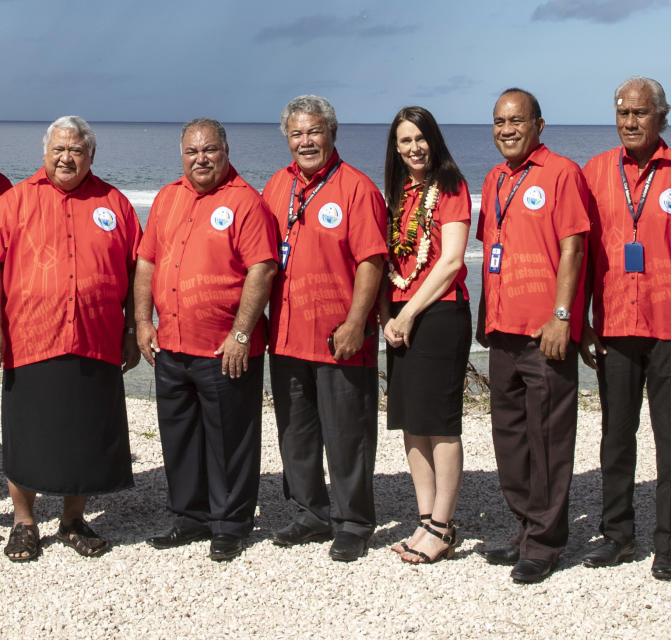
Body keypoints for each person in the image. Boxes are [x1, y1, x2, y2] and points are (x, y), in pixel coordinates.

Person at [579, 77, 671, 579]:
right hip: (614, 326)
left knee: (670, 440)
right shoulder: (594, 173)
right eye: (622, 113)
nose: (629, 122)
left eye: (639, 113)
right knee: (616, 438)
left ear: (661, 116)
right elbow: (578, 254)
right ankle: (617, 535)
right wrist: (581, 324)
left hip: (670, 331)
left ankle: (669, 544)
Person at [135, 118, 278, 562]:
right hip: (172, 345)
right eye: (192, 152)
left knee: (230, 440)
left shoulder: (246, 202)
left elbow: (263, 269)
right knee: (180, 437)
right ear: (182, 155)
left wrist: (240, 333)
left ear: (226, 151)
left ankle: (230, 524)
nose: (201, 159)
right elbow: (146, 263)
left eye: (209, 150)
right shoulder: (166, 198)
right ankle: (190, 517)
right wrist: (143, 323)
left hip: (225, 349)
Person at [0, 116, 141, 561]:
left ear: (90, 156)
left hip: (96, 338)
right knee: (26, 434)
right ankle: (25, 523)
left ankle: (73, 519)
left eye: (76, 150)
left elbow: (139, 269)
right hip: (30, 337)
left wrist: (135, 328)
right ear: (45, 153)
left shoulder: (114, 202)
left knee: (84, 433)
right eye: (59, 149)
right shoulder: (14, 201)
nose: (66, 157)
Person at [261, 96, 386, 562]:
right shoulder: (277, 185)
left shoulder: (356, 188)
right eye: (297, 134)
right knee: (295, 431)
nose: (305, 141)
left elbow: (372, 260)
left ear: (332, 132)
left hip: (339, 335)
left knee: (347, 434)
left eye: (314, 131)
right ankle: (309, 513)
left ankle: (354, 521)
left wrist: (358, 322)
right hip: (288, 334)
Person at [476, 88, 590, 584]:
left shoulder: (562, 173)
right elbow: (494, 253)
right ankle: (525, 527)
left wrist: (563, 316)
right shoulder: (495, 178)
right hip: (502, 329)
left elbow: (574, 249)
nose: (506, 130)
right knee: (511, 437)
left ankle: (545, 543)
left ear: (539, 126)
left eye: (516, 121)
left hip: (545, 332)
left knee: (547, 438)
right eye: (499, 121)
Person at [379, 106, 471, 564]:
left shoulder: (451, 187)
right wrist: (387, 319)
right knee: (411, 422)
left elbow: (451, 262)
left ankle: (444, 525)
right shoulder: (398, 193)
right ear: (395, 149)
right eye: (404, 141)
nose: (413, 148)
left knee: (440, 423)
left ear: (433, 139)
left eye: (420, 138)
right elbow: (389, 263)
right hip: (400, 314)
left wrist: (410, 314)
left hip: (439, 314)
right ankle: (423, 520)